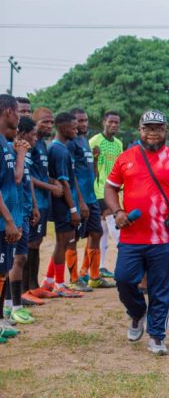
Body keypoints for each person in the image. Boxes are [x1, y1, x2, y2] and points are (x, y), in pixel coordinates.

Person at [105, 110, 169, 356]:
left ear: (165, 130)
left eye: (158, 127)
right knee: (124, 279)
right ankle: (137, 314)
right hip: (131, 237)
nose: (153, 131)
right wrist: (117, 212)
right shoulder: (126, 158)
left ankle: (157, 336)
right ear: (140, 129)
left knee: (161, 288)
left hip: (163, 239)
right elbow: (110, 188)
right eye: (148, 127)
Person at [42, 112, 87, 298]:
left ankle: (49, 280)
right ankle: (60, 284)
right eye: (73, 126)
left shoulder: (59, 148)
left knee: (63, 243)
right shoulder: (59, 150)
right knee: (64, 243)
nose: (76, 129)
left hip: (65, 205)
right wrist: (73, 209)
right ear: (62, 128)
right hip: (63, 206)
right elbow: (64, 183)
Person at [69, 108, 113, 290]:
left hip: (92, 196)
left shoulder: (84, 142)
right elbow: (71, 175)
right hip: (79, 199)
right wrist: (79, 201)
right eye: (80, 121)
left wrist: (95, 160)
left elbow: (91, 172)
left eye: (85, 120)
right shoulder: (71, 144)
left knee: (97, 233)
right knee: (71, 239)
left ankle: (93, 276)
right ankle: (73, 280)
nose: (84, 124)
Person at [4, 117, 40, 324]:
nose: (35, 138)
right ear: (23, 133)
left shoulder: (24, 155)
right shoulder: (12, 150)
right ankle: (13, 306)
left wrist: (34, 205)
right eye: (33, 134)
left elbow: (28, 182)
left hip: (25, 211)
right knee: (14, 260)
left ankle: (11, 305)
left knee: (21, 258)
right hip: (14, 213)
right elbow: (14, 181)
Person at [24, 108, 61, 301]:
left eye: (51, 122)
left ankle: (34, 285)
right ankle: (25, 289)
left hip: (44, 202)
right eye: (44, 122)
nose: (48, 125)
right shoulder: (28, 144)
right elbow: (27, 175)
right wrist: (50, 186)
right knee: (29, 244)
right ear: (34, 122)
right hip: (34, 200)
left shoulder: (43, 145)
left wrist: (52, 180)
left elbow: (40, 172)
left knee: (36, 243)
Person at [89, 111, 123, 279]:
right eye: (111, 122)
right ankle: (124, 263)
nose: (114, 125)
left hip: (114, 190)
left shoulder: (118, 144)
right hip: (98, 189)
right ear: (104, 122)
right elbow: (89, 166)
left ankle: (100, 266)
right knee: (114, 223)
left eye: (116, 122)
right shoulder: (95, 141)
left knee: (102, 230)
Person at [0, 94, 22, 340]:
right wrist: (8, 220)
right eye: (17, 111)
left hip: (7, 220)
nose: (20, 116)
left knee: (2, 271)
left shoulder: (6, 143)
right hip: (2, 221)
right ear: (7, 112)